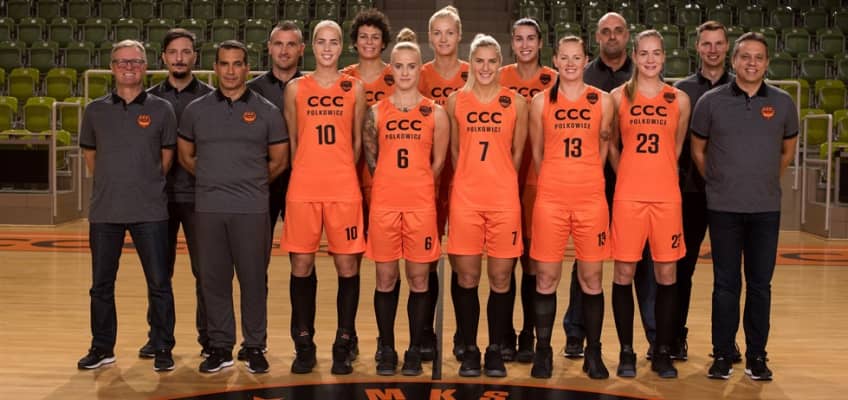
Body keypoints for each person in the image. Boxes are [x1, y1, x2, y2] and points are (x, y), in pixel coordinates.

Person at [691, 32, 798, 381]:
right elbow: (698, 149)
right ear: (734, 60)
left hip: (765, 209)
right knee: (725, 285)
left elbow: (787, 150)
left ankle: (757, 356)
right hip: (723, 208)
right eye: (745, 56)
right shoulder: (710, 101)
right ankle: (723, 353)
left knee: (760, 285)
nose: (752, 63)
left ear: (767, 63)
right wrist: (718, 182)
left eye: (758, 57)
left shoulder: (783, 102)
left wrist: (763, 180)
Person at [178, 40, 288, 374]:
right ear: (215, 67)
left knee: (253, 280)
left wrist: (249, 181)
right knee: (214, 280)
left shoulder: (267, 111)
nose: (230, 70)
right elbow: (185, 156)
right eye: (224, 63)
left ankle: (254, 345)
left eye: (237, 63)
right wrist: (214, 178)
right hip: (209, 208)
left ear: (247, 68)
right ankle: (220, 346)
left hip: (252, 209)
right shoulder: (195, 110)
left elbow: (279, 160)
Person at [77, 39, 177, 372]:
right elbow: (92, 157)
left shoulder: (162, 109)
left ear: (145, 67)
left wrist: (141, 183)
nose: (128, 67)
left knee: (159, 284)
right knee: (101, 286)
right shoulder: (95, 111)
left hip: (150, 211)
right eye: (122, 62)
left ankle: (162, 346)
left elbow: (165, 159)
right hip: (106, 211)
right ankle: (102, 347)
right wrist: (115, 182)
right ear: (112, 67)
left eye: (135, 62)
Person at [564, 12, 657, 361]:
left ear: (627, 36)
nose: (612, 36)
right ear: (597, 38)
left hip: (635, 182)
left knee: (642, 260)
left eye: (618, 31)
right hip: (592, 182)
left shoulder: (644, 75)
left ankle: (653, 335)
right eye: (606, 31)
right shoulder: (583, 76)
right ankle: (576, 332)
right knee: (586, 260)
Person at [282, 20, 367, 375]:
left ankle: (343, 343)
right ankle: (304, 344)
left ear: (341, 46)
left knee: (347, 266)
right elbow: (293, 140)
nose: (327, 48)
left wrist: (340, 169)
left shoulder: (354, 87)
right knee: (301, 265)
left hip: (343, 188)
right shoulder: (295, 88)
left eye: (334, 42)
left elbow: (357, 141)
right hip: (304, 187)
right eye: (321, 41)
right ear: (311, 47)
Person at [363, 28, 450, 376]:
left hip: (420, 206)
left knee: (419, 279)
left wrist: (416, 183)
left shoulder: (435, 113)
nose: (404, 72)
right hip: (385, 204)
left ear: (419, 69)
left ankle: (414, 349)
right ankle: (386, 348)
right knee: (385, 278)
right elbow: (372, 160)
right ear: (391, 70)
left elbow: (438, 163)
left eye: (411, 66)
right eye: (398, 66)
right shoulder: (375, 112)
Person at [527, 35, 613, 380]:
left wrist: (586, 177)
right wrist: (556, 178)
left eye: (577, 57)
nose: (571, 63)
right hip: (551, 199)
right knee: (546, 277)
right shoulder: (540, 102)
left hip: (591, 199)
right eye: (564, 57)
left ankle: (594, 352)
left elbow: (604, 147)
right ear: (555, 61)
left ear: (586, 59)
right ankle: (543, 350)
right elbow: (537, 152)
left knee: (591, 278)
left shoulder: (603, 100)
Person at [445, 33, 528, 378]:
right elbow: (454, 151)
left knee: (501, 277)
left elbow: (518, 153)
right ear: (470, 63)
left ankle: (495, 349)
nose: (485, 67)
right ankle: (469, 348)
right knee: (467, 276)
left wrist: (500, 179)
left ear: (500, 64)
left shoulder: (516, 103)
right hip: (466, 199)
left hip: (503, 200)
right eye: (479, 60)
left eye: (492, 61)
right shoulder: (455, 101)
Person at [609, 29, 690, 379]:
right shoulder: (617, 97)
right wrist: (627, 172)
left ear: (664, 57)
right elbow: (611, 145)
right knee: (623, 273)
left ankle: (662, 350)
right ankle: (626, 351)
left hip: (666, 198)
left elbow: (677, 147)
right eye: (643, 53)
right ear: (634, 56)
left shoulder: (679, 99)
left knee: (667, 274)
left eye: (656, 53)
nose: (650, 59)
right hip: (628, 197)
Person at [144, 28, 213, 360]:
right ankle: (158, 338)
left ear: (195, 57)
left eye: (186, 52)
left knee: (205, 272)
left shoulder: (211, 99)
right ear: (163, 57)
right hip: (158, 199)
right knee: (159, 274)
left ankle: (210, 338)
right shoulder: (148, 100)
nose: (179, 58)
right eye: (173, 52)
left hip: (200, 198)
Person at [672, 20, 736, 363]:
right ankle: (674, 337)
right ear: (697, 47)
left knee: (728, 274)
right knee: (682, 270)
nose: (712, 49)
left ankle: (725, 343)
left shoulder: (742, 88)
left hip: (730, 195)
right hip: (691, 193)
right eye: (706, 43)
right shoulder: (681, 90)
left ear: (727, 47)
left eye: (718, 43)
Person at [244, 19, 304, 362]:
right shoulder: (251, 90)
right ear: (269, 48)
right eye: (278, 43)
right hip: (262, 184)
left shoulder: (313, 87)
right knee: (255, 265)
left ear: (301, 49)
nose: (284, 50)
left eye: (290, 44)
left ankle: (302, 340)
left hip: (301, 183)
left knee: (302, 264)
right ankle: (256, 340)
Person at [498, 17, 557, 363]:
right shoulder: (498, 76)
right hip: (502, 181)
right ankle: (504, 333)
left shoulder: (555, 80)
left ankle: (529, 334)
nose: (524, 45)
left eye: (530, 38)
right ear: (512, 43)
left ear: (540, 43)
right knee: (504, 264)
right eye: (518, 38)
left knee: (533, 264)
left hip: (538, 181)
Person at [339, 10, 395, 361]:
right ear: (355, 41)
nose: (369, 42)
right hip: (349, 178)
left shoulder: (397, 76)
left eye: (375, 37)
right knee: (351, 261)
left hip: (388, 181)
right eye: (364, 37)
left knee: (388, 263)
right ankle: (349, 333)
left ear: (384, 42)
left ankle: (388, 337)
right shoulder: (344, 78)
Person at [418, 4, 470, 362]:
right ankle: (425, 331)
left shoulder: (474, 72)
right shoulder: (419, 74)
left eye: (450, 32)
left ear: (460, 35)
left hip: (465, 175)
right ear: (429, 37)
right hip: (428, 175)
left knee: (462, 259)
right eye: (437, 32)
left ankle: (463, 334)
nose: (443, 38)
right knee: (426, 256)